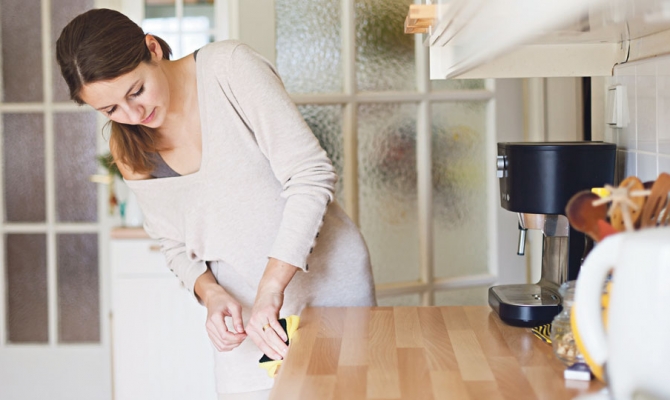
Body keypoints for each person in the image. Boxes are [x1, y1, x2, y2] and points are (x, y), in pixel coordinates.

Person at [56, 8, 376, 400]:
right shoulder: (128, 148)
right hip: (251, 323)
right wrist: (211, 294)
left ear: (152, 48)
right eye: (110, 110)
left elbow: (310, 174)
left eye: (135, 91)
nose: (133, 114)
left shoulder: (229, 69)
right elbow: (173, 243)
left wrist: (271, 286)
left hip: (329, 292)